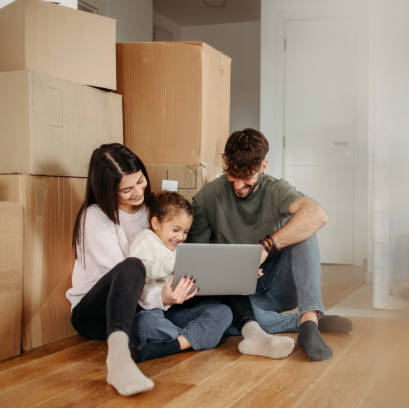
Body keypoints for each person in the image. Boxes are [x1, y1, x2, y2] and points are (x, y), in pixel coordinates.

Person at [66, 143, 232, 396]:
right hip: (99, 312)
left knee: (221, 308)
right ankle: (119, 359)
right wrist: (163, 298)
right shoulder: (95, 217)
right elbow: (127, 282)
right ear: (107, 190)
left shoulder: (151, 211)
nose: (137, 192)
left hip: (147, 307)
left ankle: (177, 341)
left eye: (140, 181)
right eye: (127, 189)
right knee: (133, 266)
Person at [189, 128, 353, 361]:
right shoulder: (207, 198)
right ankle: (308, 322)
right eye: (233, 177)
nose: (238, 186)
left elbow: (318, 215)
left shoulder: (275, 189)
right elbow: (197, 262)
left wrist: (266, 246)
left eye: (247, 179)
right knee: (226, 319)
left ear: (263, 167)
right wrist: (232, 271)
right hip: (241, 296)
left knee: (305, 229)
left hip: (279, 283)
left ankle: (308, 322)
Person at [129, 191, 294, 361]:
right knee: (145, 325)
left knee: (224, 313)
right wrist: (175, 263)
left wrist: (239, 273)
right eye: (176, 230)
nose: (180, 237)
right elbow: (140, 271)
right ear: (155, 223)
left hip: (179, 309)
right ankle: (182, 341)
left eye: (185, 232)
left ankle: (169, 345)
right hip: (154, 310)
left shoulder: (178, 249)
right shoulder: (145, 241)